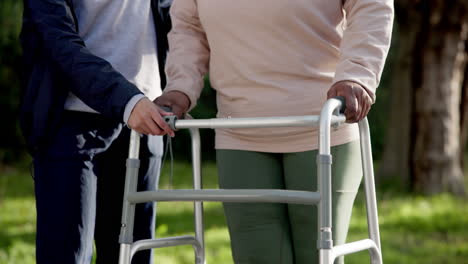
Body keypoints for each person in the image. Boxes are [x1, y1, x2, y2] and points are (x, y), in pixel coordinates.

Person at [155, 0, 394, 263]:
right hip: (238, 131)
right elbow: (188, 26)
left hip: (322, 127)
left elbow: (371, 6)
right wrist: (179, 87)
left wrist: (356, 75)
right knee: (256, 257)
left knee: (315, 256)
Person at [19, 0, 174, 263]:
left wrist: (180, 88)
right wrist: (126, 99)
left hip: (145, 118)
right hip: (70, 122)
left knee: (131, 256)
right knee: (68, 256)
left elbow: (182, 21)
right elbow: (56, 38)